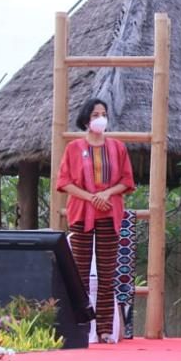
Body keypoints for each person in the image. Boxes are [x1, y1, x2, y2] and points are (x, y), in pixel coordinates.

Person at [56, 97, 136, 344]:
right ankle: (80, 326)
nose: (100, 118)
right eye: (95, 114)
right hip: (81, 213)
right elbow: (64, 182)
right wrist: (91, 197)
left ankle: (103, 330)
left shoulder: (117, 148)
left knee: (106, 273)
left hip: (110, 214)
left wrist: (106, 194)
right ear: (86, 119)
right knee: (79, 273)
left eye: (103, 113)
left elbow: (127, 181)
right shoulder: (73, 148)